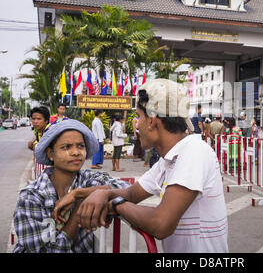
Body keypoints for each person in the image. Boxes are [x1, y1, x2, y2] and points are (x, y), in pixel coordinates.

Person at [76, 79, 228, 253]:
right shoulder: (168, 159)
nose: (137, 124)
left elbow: (161, 224)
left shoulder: (194, 151)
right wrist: (101, 194)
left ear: (152, 121)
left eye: (139, 117)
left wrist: (115, 204)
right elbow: (132, 193)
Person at [13, 119, 130, 253]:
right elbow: (51, 250)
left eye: (80, 146)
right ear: (50, 154)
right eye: (66, 147)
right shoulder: (31, 196)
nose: (76, 152)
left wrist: (79, 194)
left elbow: (128, 190)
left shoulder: (87, 180)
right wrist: (79, 209)